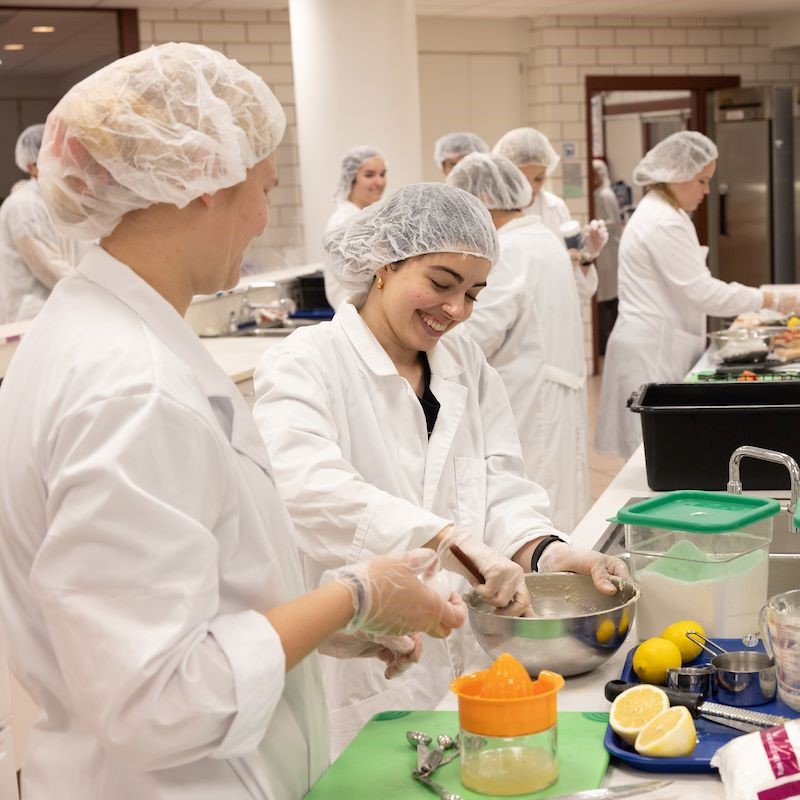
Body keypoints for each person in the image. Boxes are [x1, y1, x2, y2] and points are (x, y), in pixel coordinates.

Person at [0, 43, 466, 800]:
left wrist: (319, 628)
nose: (261, 217)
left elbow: (181, 597)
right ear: (202, 184)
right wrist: (354, 592)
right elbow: (157, 701)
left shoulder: (100, 333)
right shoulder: (132, 389)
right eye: (262, 189)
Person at [252, 182, 628, 755]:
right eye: (440, 283)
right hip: (367, 668)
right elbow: (307, 488)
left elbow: (499, 483)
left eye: (474, 292)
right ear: (384, 264)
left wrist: (547, 551)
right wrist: (443, 540)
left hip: (468, 659)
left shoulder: (465, 364)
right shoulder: (306, 364)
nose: (456, 310)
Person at [596, 130, 799, 459]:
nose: (707, 190)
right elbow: (702, 292)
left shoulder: (664, 213)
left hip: (656, 342)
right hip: (651, 350)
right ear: (676, 175)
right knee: (650, 456)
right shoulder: (664, 222)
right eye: (702, 181)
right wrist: (769, 299)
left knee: (655, 453)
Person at [447, 152, 589, 532]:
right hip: (551, 392)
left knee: (531, 510)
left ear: (481, 204)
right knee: (557, 500)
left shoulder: (507, 251)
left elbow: (475, 335)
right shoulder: (543, 237)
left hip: (529, 398)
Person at [493, 126, 607, 299]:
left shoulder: (555, 208)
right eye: (522, 179)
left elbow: (582, 291)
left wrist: (586, 257)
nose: (532, 187)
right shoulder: (492, 213)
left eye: (539, 178)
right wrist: (557, 268)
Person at [0, 123, 86, 322]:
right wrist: (93, 292)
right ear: (32, 166)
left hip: (63, 310)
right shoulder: (24, 205)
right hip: (31, 316)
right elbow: (47, 265)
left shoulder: (59, 201)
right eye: (54, 158)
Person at [324, 145, 387, 309]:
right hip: (354, 310)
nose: (379, 181)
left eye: (382, 174)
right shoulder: (343, 221)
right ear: (351, 178)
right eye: (369, 175)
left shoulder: (366, 217)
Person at [592, 159, 623, 355]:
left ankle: (609, 342)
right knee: (604, 296)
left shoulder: (605, 195)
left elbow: (613, 223)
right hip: (603, 253)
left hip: (609, 252)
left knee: (609, 298)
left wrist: (597, 224)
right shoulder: (597, 194)